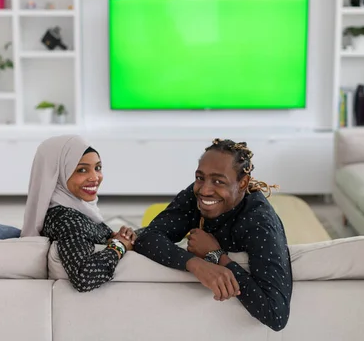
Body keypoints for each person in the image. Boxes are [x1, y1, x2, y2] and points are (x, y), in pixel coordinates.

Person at [133, 138, 292, 331]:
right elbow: (147, 238)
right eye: (200, 177)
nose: (204, 189)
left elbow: (276, 314)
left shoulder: (259, 223)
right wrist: (197, 265)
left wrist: (217, 257)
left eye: (218, 181)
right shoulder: (195, 194)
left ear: (243, 183)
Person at [21, 134, 137, 292]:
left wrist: (112, 238)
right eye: (82, 170)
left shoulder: (67, 208)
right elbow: (84, 276)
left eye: (98, 168)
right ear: (58, 173)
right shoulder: (67, 220)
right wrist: (119, 246)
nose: (95, 177)